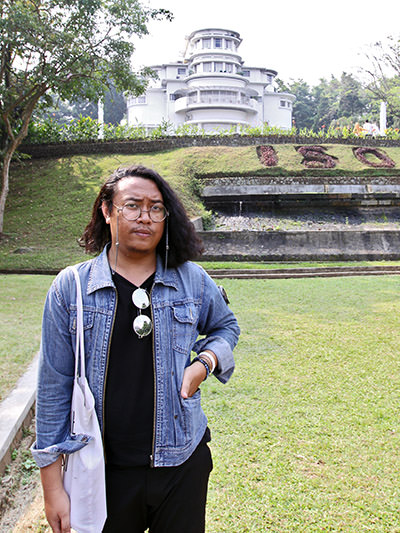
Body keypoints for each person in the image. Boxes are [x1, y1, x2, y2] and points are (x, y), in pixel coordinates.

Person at [31, 165, 240, 533]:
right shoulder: (72, 288)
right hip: (100, 471)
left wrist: (205, 363)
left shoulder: (191, 279)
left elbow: (226, 327)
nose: (145, 216)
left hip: (181, 463)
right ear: (107, 211)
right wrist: (52, 488)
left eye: (156, 208)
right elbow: (53, 389)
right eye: (132, 205)